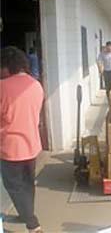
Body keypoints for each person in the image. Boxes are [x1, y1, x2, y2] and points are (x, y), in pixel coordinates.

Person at [0, 46, 44, 233]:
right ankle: (25, 212)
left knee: (14, 186)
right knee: (27, 185)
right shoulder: (36, 85)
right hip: (31, 145)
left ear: (6, 66)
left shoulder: (2, 86)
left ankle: (33, 225)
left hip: (11, 147)